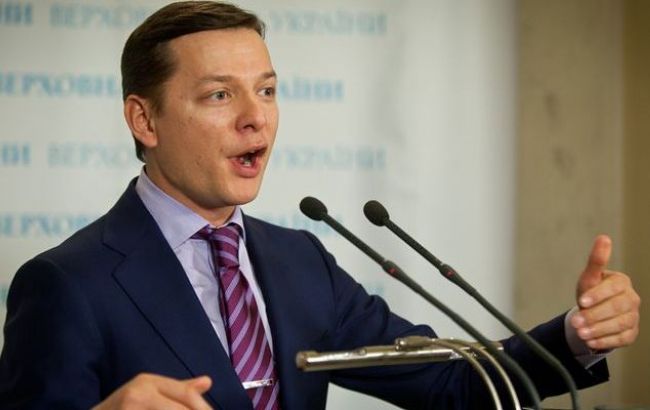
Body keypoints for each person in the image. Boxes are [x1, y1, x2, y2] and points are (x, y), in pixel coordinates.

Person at [0, 2, 641, 409]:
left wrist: (576, 337)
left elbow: (452, 383)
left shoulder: (299, 259)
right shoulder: (66, 283)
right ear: (145, 120)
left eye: (267, 91)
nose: (256, 119)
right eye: (220, 95)